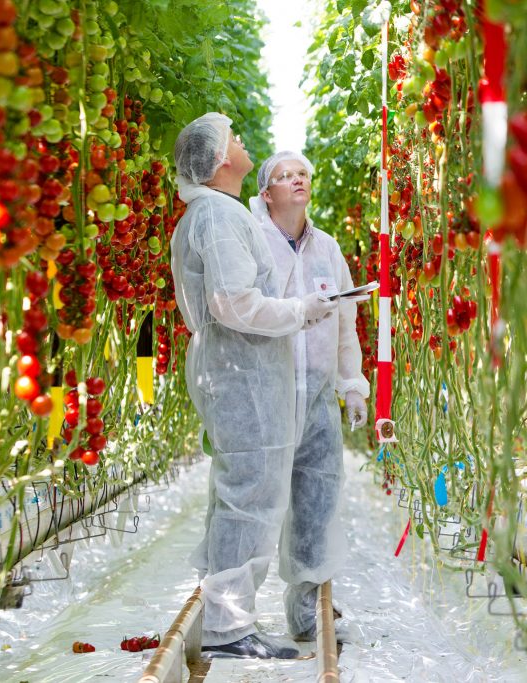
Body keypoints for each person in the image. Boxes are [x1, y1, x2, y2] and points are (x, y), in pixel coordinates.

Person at [170, 113, 339, 659]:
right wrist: (301, 310)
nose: (242, 143)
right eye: (233, 139)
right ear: (220, 160)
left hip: (240, 369)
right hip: (241, 371)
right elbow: (233, 302)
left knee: (245, 492)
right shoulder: (218, 215)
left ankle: (228, 618)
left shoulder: (216, 213)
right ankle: (229, 626)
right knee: (251, 495)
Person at [249, 150, 370, 644]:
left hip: (318, 398)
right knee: (255, 505)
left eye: (304, 173)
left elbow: (345, 325)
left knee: (315, 505)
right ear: (266, 193)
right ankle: (232, 615)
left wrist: (352, 384)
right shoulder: (253, 244)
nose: (298, 179)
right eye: (286, 175)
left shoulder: (327, 249)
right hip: (266, 396)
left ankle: (304, 612)